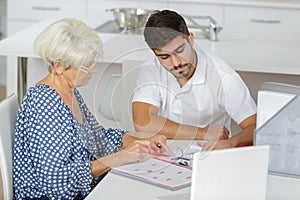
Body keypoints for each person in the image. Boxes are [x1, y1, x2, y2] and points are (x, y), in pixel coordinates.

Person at [13, 18, 171, 200]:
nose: (94, 70)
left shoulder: (69, 92)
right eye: (86, 66)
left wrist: (142, 139)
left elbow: (97, 138)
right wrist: (120, 158)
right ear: (58, 66)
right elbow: (56, 185)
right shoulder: (44, 104)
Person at [132, 10, 257, 150]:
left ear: (190, 39)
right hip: (164, 154)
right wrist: (204, 133)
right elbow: (143, 123)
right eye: (164, 57)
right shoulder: (151, 69)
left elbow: (255, 127)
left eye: (179, 50)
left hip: (207, 154)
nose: (176, 63)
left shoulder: (222, 76)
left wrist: (230, 143)